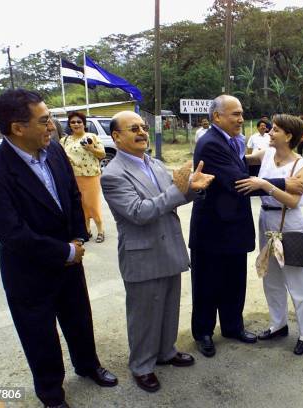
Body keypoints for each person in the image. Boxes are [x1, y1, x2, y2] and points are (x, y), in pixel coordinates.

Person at [0, 89, 117, 408]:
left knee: (79, 318)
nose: (53, 126)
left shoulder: (53, 152)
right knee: (40, 336)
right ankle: (52, 394)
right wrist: (65, 252)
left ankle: (88, 365)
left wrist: (79, 237)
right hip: (30, 272)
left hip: (70, 259)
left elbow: (72, 194)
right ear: (18, 128)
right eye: (45, 120)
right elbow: (13, 235)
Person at [101, 111, 214, 393]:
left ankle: (166, 351)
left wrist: (192, 189)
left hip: (168, 246)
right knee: (144, 315)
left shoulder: (154, 162)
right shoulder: (113, 175)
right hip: (142, 253)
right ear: (116, 137)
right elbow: (139, 212)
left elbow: (172, 198)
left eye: (143, 127)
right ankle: (141, 365)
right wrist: (179, 190)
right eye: (133, 129)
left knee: (168, 306)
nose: (142, 132)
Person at [189, 95, 303, 358]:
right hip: (212, 228)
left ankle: (232, 327)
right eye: (235, 114)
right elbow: (238, 182)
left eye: (241, 113)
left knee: (234, 281)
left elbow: (249, 166)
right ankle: (204, 333)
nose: (241, 119)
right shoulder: (210, 143)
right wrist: (286, 183)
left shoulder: (235, 141)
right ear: (217, 117)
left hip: (235, 226)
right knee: (207, 283)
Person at [235, 114, 303, 355]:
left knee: (296, 281)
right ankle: (278, 324)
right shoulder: (267, 153)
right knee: (271, 277)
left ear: (289, 136)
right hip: (266, 220)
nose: (269, 132)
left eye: (276, 130)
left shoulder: (301, 165)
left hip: (289, 224)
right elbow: (244, 159)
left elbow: (292, 200)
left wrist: (265, 185)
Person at [61, 111, 106, 243]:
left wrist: (91, 148)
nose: (76, 124)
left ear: (84, 123)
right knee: (80, 206)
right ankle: (87, 230)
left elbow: (102, 154)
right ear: (69, 125)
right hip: (73, 178)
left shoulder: (91, 137)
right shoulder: (65, 140)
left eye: (79, 121)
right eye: (73, 122)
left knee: (92, 204)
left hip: (90, 176)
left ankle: (100, 230)